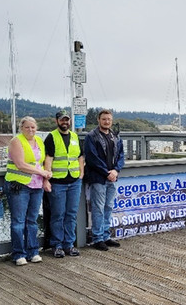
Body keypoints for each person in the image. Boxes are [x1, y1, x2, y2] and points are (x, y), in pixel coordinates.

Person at [5, 116, 52, 265]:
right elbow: (20, 164)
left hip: (36, 185)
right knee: (18, 221)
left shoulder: (39, 141)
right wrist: (42, 173)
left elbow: (42, 162)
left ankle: (33, 251)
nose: (31, 130)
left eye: (33, 127)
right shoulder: (16, 141)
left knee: (32, 220)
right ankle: (18, 253)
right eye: (27, 127)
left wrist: (45, 178)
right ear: (21, 128)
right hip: (19, 184)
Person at [43, 110, 84, 258]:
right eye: (62, 120)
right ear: (57, 121)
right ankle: (57, 245)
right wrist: (46, 178)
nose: (65, 122)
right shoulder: (51, 137)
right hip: (58, 182)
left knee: (71, 214)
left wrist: (81, 173)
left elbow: (80, 156)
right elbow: (48, 159)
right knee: (58, 214)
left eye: (67, 120)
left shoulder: (74, 136)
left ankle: (69, 244)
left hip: (74, 181)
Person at [84, 109, 125, 251]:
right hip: (98, 178)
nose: (107, 121)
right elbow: (92, 158)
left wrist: (115, 170)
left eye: (109, 119)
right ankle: (97, 238)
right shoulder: (91, 136)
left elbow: (121, 156)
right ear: (98, 120)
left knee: (108, 207)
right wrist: (106, 172)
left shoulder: (115, 136)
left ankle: (106, 236)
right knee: (98, 208)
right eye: (104, 119)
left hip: (112, 178)